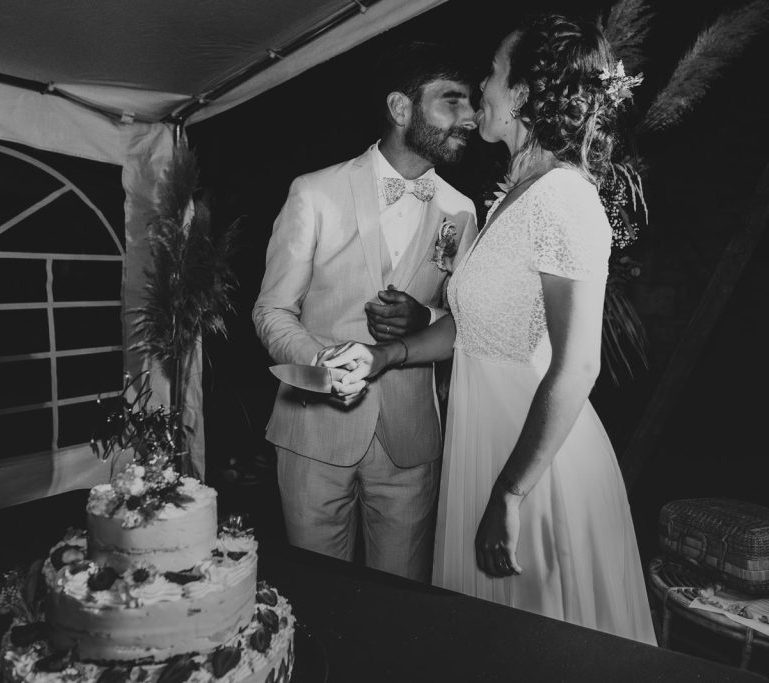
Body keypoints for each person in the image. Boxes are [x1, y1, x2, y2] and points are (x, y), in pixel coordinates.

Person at [319, 14, 657, 644]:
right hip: (484, 444)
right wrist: (386, 354)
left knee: (533, 644)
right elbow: (474, 329)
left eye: (494, 74)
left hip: (533, 467)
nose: (483, 88)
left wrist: (509, 494)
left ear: (525, 92)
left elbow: (578, 365)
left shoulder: (566, 199)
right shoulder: (511, 196)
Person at [252, 42, 479, 582]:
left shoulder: (461, 211)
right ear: (402, 109)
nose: (470, 117)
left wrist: (421, 317)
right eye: (453, 102)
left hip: (411, 440)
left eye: (471, 104)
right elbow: (272, 310)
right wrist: (322, 360)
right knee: (319, 593)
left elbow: (462, 317)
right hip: (313, 431)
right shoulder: (314, 192)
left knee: (399, 603)